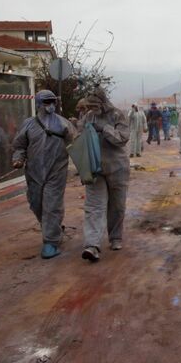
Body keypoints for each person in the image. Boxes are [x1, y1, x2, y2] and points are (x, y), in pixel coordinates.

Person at [12, 90, 76, 259]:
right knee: (36, 204)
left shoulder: (64, 124)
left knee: (51, 205)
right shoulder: (28, 124)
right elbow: (20, 146)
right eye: (46, 102)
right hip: (33, 173)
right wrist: (18, 159)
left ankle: (51, 242)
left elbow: (76, 147)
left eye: (52, 102)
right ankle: (52, 227)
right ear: (38, 104)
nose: (50, 106)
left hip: (56, 171)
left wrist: (84, 170)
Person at [79, 89, 130, 262]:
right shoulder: (88, 117)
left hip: (117, 167)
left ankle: (115, 237)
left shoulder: (117, 115)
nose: (92, 109)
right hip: (96, 169)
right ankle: (92, 244)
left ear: (103, 102)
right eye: (90, 106)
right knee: (94, 206)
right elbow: (80, 140)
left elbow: (122, 138)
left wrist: (105, 129)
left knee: (117, 205)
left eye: (95, 105)